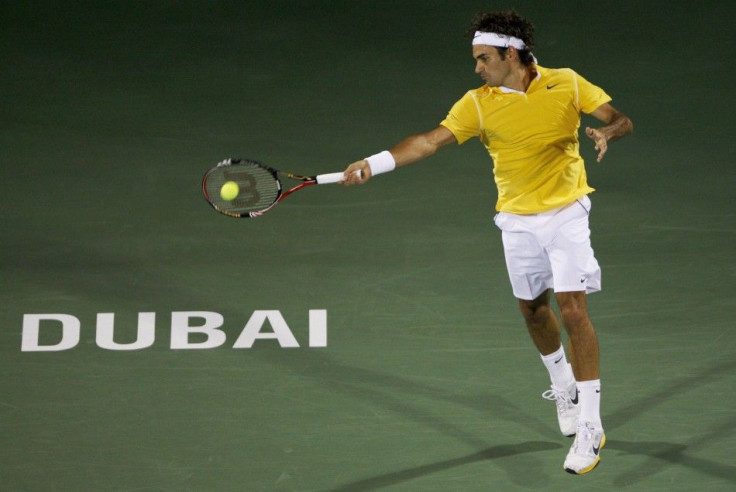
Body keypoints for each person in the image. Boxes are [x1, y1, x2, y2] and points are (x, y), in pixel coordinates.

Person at [340, 10, 633, 475]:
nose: (477, 68)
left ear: (511, 54)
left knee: (573, 309)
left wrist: (605, 132)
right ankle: (564, 386)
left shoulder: (568, 83)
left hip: (566, 212)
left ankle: (591, 425)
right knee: (534, 311)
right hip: (516, 219)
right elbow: (429, 142)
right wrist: (375, 163)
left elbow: (620, 118)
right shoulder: (478, 103)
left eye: (483, 58)